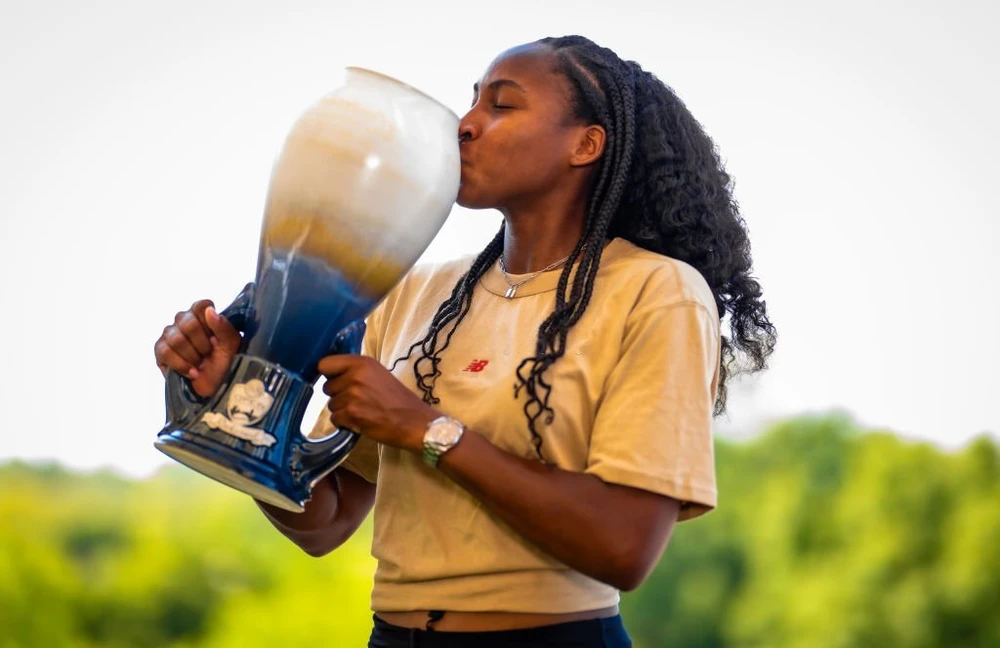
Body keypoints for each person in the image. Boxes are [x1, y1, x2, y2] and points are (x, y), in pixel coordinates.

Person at [153, 35, 776, 648]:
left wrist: (426, 429)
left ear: (585, 145)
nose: (465, 125)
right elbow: (326, 520)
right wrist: (233, 404)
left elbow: (626, 548)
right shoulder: (409, 290)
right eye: (471, 102)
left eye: (500, 106)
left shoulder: (657, 291)